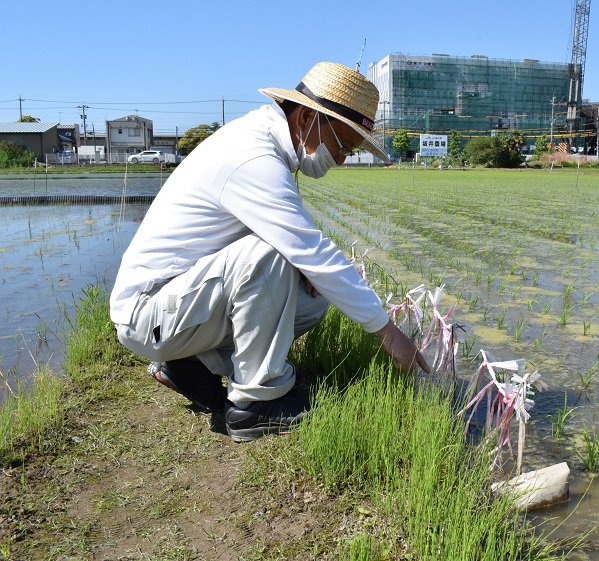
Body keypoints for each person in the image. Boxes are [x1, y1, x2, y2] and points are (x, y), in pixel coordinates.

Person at [110, 62, 430, 442]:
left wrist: (307, 273)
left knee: (313, 299)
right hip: (148, 312)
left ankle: (192, 363)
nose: (342, 158)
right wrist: (388, 333)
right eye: (342, 144)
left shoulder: (266, 144)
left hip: (176, 304)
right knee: (275, 255)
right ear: (309, 116)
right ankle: (255, 405)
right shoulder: (252, 155)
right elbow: (307, 248)